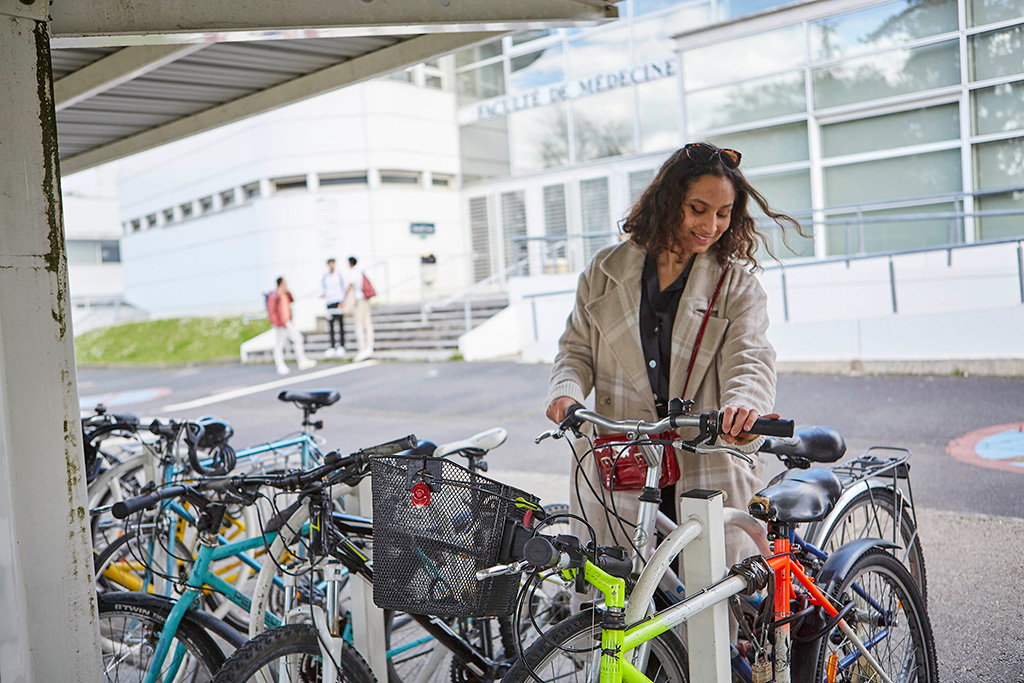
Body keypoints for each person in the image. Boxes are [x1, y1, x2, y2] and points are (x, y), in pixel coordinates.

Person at [545, 142, 802, 572]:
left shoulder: (736, 286)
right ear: (668, 202)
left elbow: (752, 356)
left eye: (724, 213)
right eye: (698, 208)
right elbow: (575, 349)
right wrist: (565, 393)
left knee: (707, 608)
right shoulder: (603, 271)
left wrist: (744, 404)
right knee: (620, 601)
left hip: (706, 459)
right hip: (624, 460)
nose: (712, 225)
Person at [267, 276, 317, 375]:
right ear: (281, 282)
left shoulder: (284, 293)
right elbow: (271, 311)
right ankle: (280, 365)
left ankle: (302, 361)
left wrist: (287, 291)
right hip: (280, 324)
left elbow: (292, 299)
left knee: (298, 339)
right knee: (279, 344)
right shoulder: (274, 296)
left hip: (288, 322)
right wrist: (276, 323)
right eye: (285, 281)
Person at [345, 256, 375, 362]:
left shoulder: (352, 273)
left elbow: (349, 286)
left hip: (359, 301)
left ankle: (362, 349)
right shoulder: (360, 271)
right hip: (366, 299)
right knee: (367, 323)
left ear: (350, 263)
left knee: (359, 325)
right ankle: (370, 347)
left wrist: (343, 301)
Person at [319, 258, 347, 357]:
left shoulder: (339, 275)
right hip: (329, 302)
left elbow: (344, 288)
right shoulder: (325, 277)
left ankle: (341, 346)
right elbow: (322, 288)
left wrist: (343, 301)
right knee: (331, 325)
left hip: (338, 301)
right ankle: (332, 346)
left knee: (340, 324)